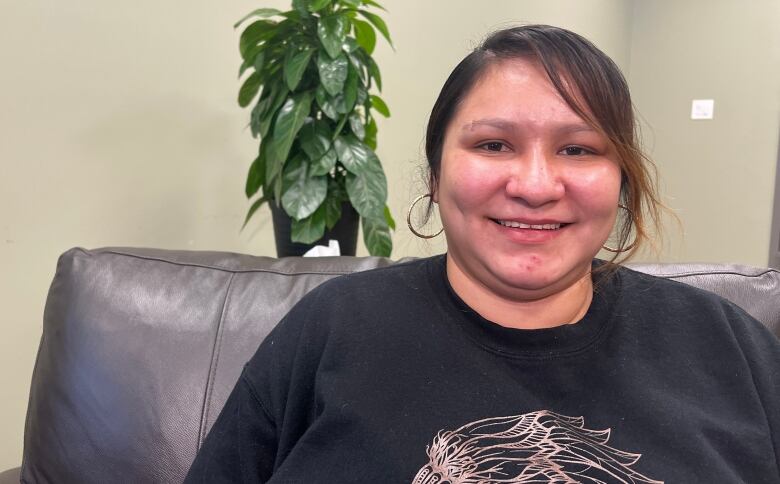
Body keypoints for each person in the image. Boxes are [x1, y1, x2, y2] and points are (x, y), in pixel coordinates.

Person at [185, 25, 780, 483]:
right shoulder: (328, 328)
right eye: (494, 144)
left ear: (621, 180)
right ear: (436, 170)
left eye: (578, 149)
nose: (536, 185)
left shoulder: (730, 345)